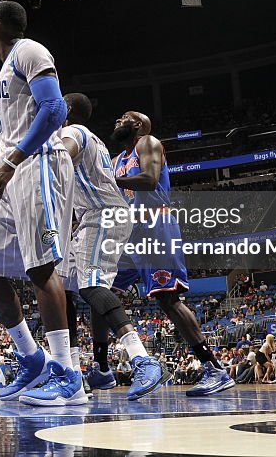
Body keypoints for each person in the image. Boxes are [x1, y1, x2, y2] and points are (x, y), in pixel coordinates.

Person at [0, 0, 84, 407]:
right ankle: (32, 358)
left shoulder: (30, 50)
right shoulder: (5, 66)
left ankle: (67, 373)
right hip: (11, 171)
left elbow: (54, 109)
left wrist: (11, 161)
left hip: (38, 168)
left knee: (41, 268)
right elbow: (17, 131)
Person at [111, 112, 235, 397]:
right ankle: (103, 368)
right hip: (130, 231)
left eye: (125, 117)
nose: (119, 120)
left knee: (168, 300)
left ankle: (213, 368)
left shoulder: (148, 142)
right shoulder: (117, 159)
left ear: (138, 125)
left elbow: (150, 179)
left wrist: (111, 181)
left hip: (155, 224)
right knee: (99, 290)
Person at [55, 93, 164, 401]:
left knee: (91, 286)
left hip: (104, 213)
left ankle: (142, 359)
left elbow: (58, 160)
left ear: (68, 110)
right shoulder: (88, 139)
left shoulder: (71, 133)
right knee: (64, 292)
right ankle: (75, 373)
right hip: (89, 217)